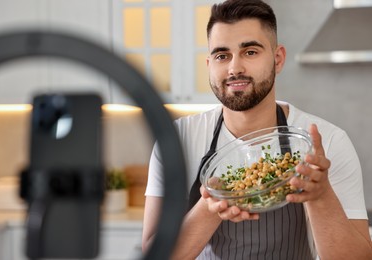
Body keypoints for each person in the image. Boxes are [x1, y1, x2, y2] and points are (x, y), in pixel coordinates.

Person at [142, 0, 372, 259]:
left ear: (278, 59)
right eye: (222, 55)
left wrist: (321, 196)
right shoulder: (177, 141)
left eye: (250, 52)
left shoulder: (326, 143)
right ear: (209, 65)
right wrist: (210, 207)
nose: (234, 68)